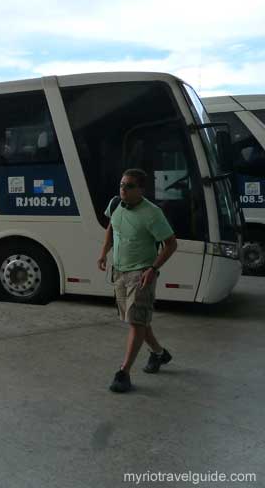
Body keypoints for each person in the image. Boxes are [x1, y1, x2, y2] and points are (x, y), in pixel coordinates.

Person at [97, 168, 178, 393]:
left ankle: (123, 373)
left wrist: (153, 269)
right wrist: (104, 252)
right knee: (137, 321)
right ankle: (160, 354)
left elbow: (171, 244)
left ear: (141, 189)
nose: (123, 189)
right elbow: (111, 227)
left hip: (141, 274)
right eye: (122, 184)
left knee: (136, 321)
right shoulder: (115, 204)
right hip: (119, 271)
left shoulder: (152, 213)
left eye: (129, 186)